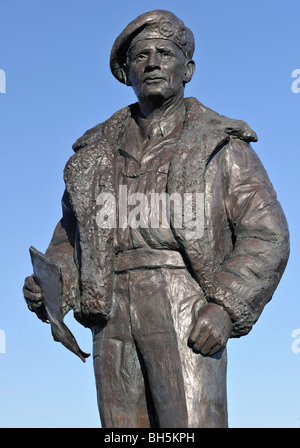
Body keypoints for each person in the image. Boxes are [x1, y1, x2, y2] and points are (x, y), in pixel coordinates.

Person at [23, 10, 289, 428]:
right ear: (126, 72)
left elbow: (266, 235)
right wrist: (53, 283)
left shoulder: (222, 146)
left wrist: (224, 306)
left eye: (164, 53)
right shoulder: (93, 154)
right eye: (140, 56)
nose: (151, 63)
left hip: (185, 300)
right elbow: (71, 237)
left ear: (188, 69)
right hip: (108, 308)